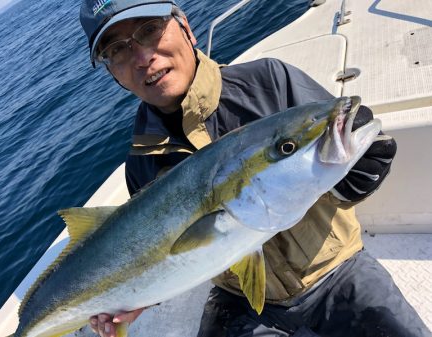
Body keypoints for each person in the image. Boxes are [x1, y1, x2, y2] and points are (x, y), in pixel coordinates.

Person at [79, 1, 430, 336]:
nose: (142, 57)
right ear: (113, 72)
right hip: (241, 300)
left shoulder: (270, 81)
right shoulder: (142, 161)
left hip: (336, 270)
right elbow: (162, 252)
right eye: (117, 50)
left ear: (185, 27)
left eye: (150, 29)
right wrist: (138, 297)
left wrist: (365, 167)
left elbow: (341, 155)